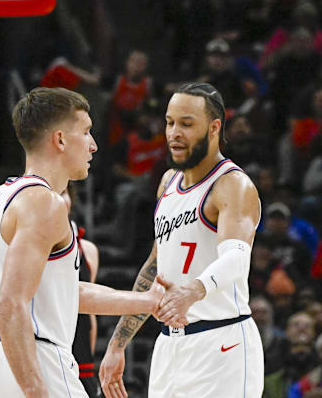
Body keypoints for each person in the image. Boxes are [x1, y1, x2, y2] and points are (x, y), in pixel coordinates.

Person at [0, 87, 164, 398]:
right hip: (32, 358)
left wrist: (146, 301)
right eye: (86, 132)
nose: (94, 145)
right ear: (60, 139)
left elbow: (62, 291)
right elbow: (10, 302)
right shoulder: (46, 203)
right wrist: (34, 388)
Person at [99, 82, 264, 398]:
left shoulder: (232, 184)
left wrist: (195, 289)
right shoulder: (168, 182)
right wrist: (118, 345)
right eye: (170, 122)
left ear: (214, 128)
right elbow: (154, 267)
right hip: (169, 348)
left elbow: (237, 257)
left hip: (222, 343)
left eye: (186, 124)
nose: (174, 132)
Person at [62, 187, 102, 398]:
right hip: (45, 345)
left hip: (79, 352)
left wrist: (89, 362)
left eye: (63, 193)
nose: (58, 201)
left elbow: (89, 312)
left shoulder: (88, 250)